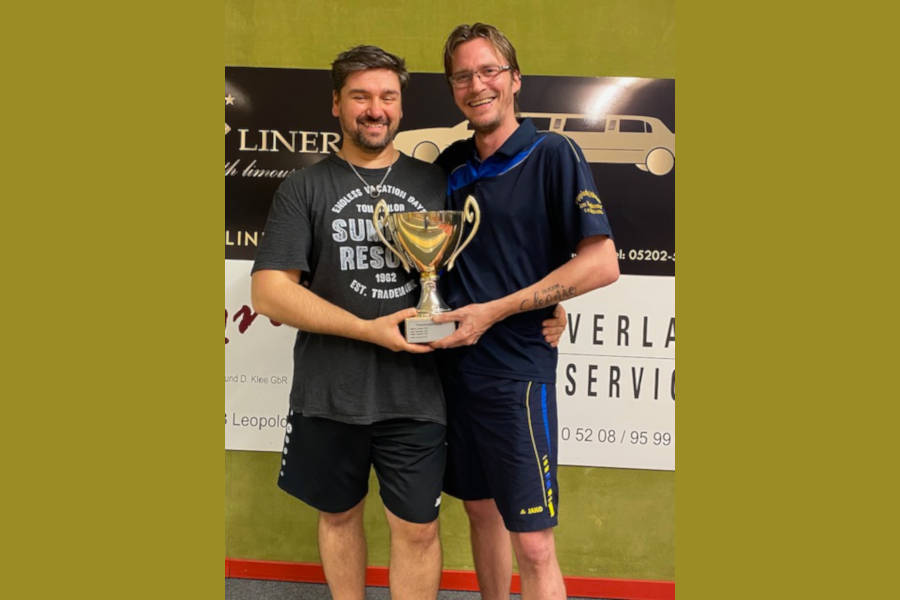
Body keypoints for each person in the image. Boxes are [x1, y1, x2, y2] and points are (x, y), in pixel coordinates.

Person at [429, 23, 621, 600]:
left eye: (489, 71)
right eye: (462, 75)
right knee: (481, 516)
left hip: (516, 374)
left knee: (534, 543)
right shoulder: (450, 165)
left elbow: (601, 262)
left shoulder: (552, 153)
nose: (476, 84)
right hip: (450, 374)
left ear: (514, 80)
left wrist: (504, 309)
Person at [249, 45, 448, 600]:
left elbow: (487, 265)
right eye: (360, 96)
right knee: (339, 518)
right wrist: (370, 330)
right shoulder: (304, 188)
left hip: (417, 392)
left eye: (387, 96)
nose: (375, 108)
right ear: (336, 105)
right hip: (329, 392)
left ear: (402, 108)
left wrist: (544, 304)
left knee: (418, 528)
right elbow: (269, 293)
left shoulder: (438, 183)